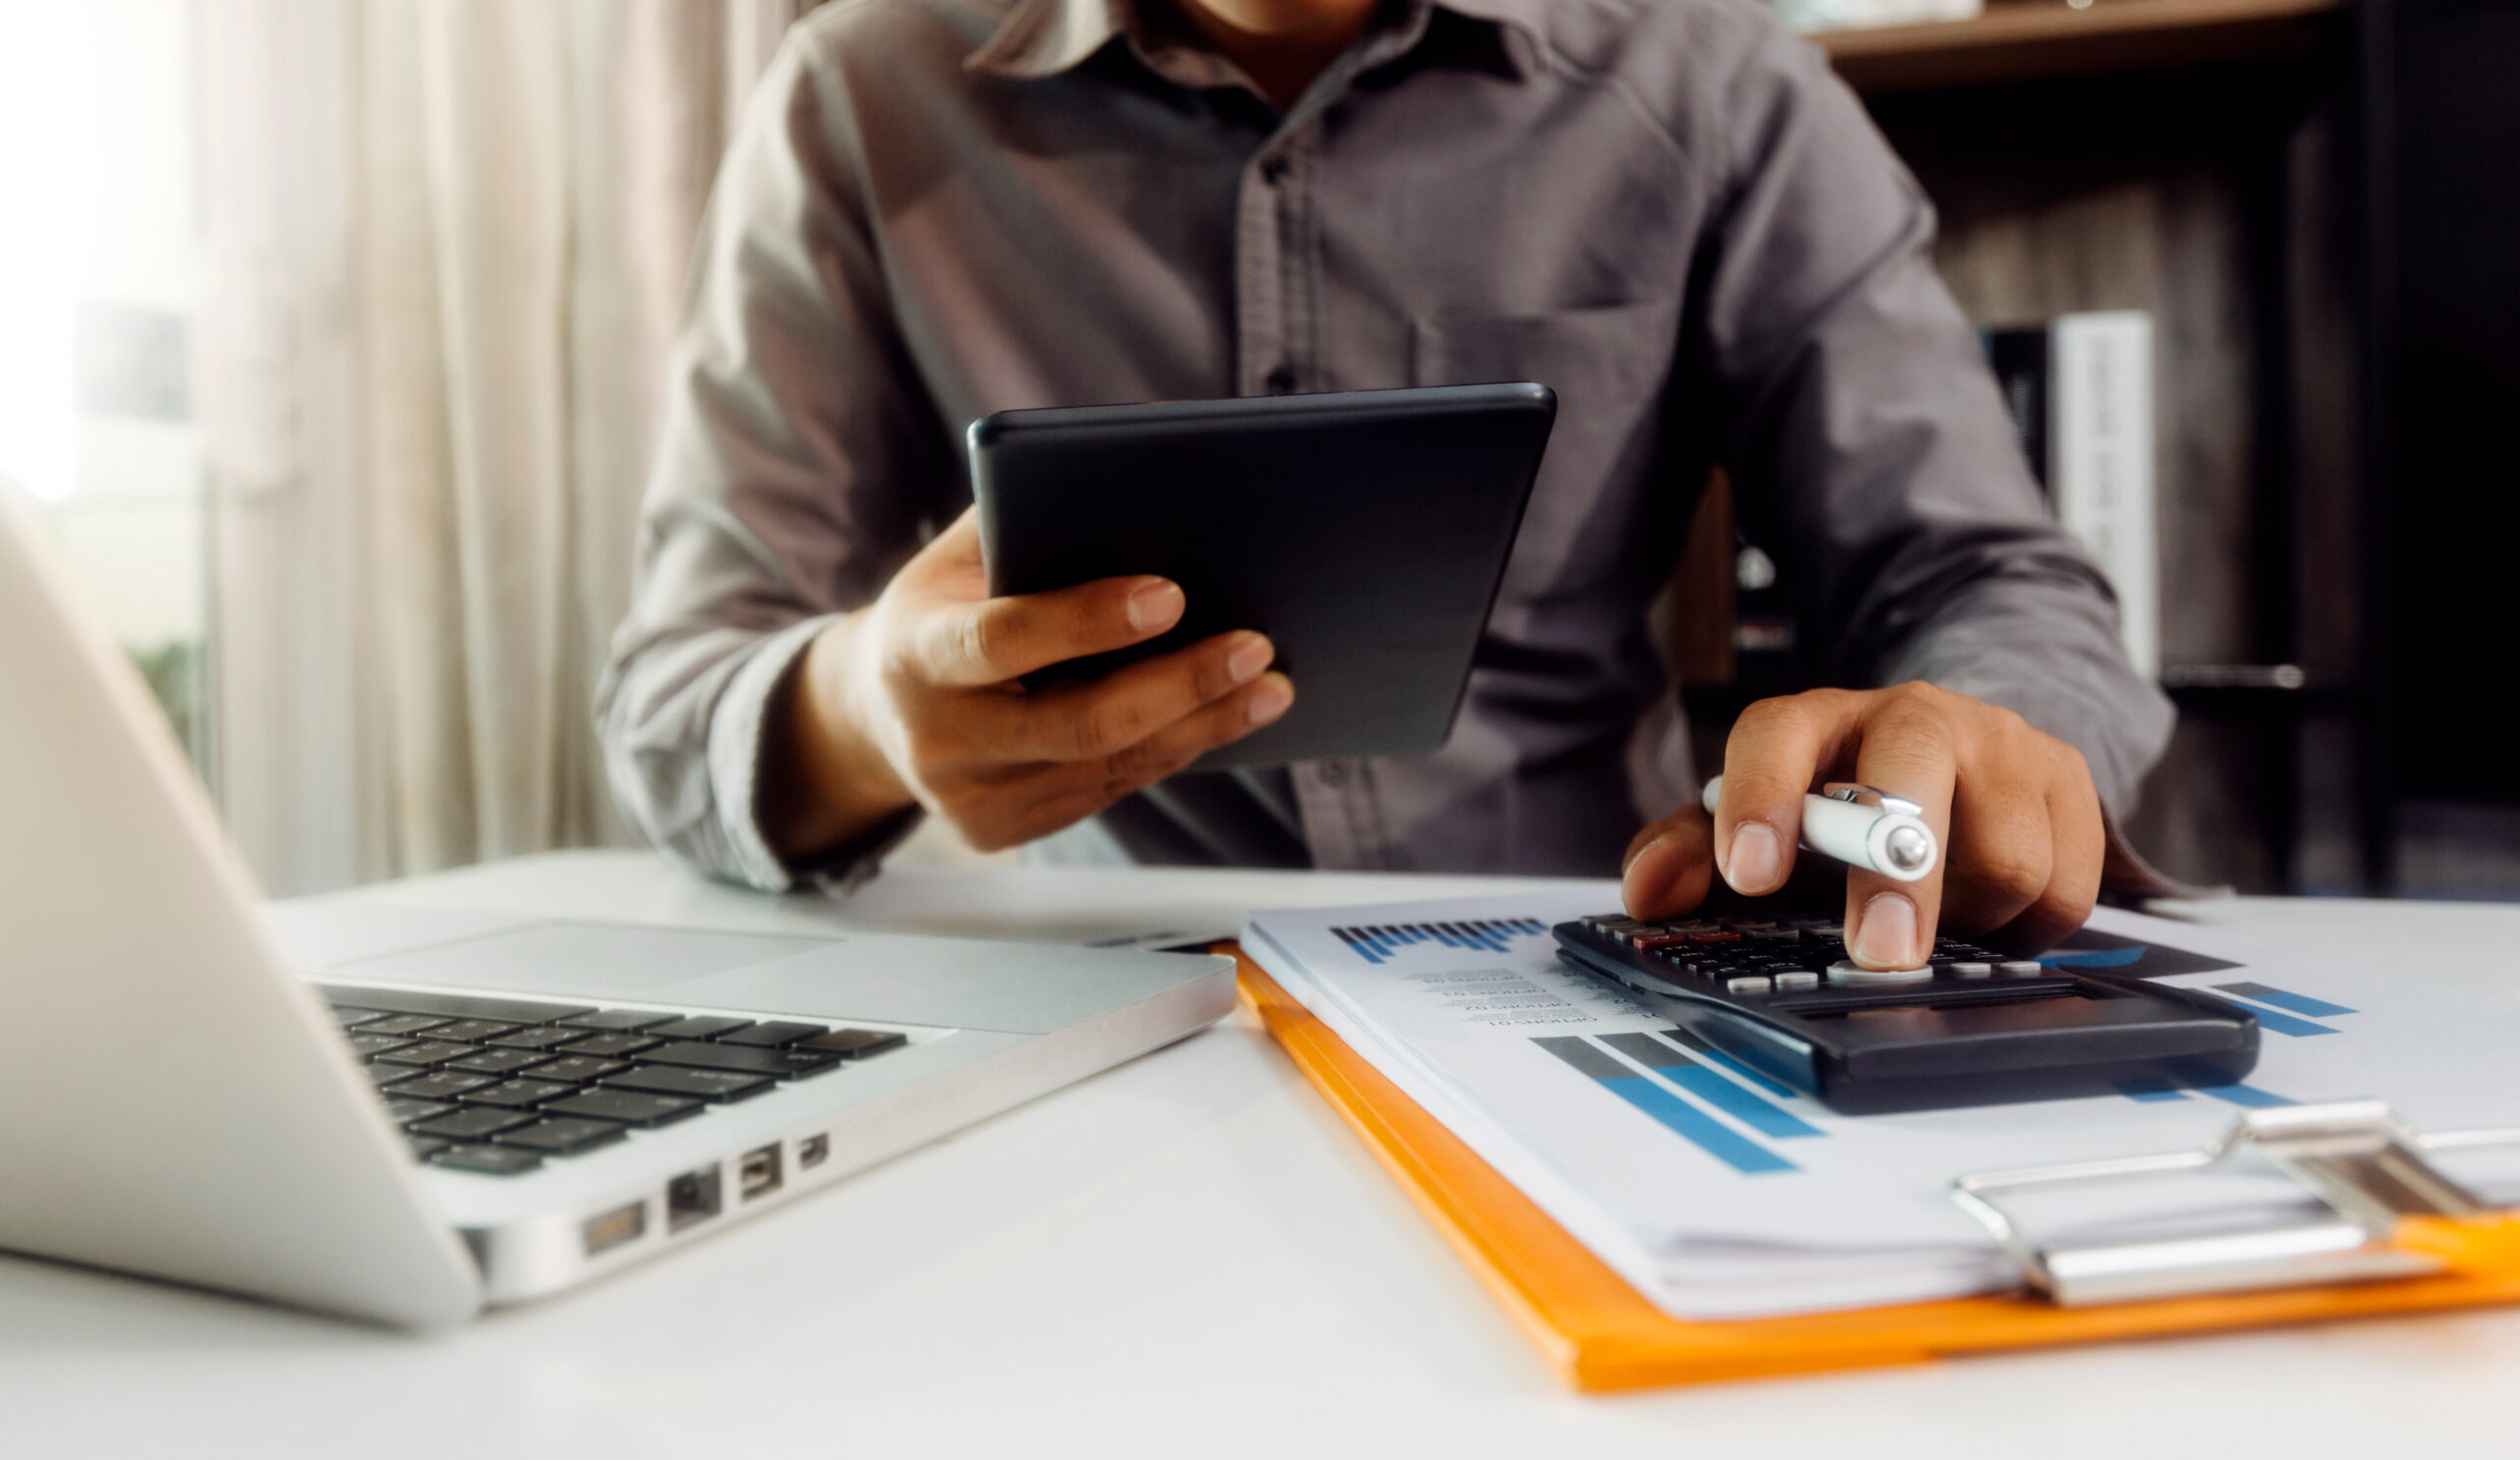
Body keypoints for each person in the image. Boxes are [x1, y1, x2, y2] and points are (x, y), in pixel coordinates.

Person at [597, 0, 2174, 970]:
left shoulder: (1712, 83)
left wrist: (1971, 742)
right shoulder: (859, 98)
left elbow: (1990, 580)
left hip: (1599, 972)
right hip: (1084, 999)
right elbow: (673, 698)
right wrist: (868, 712)